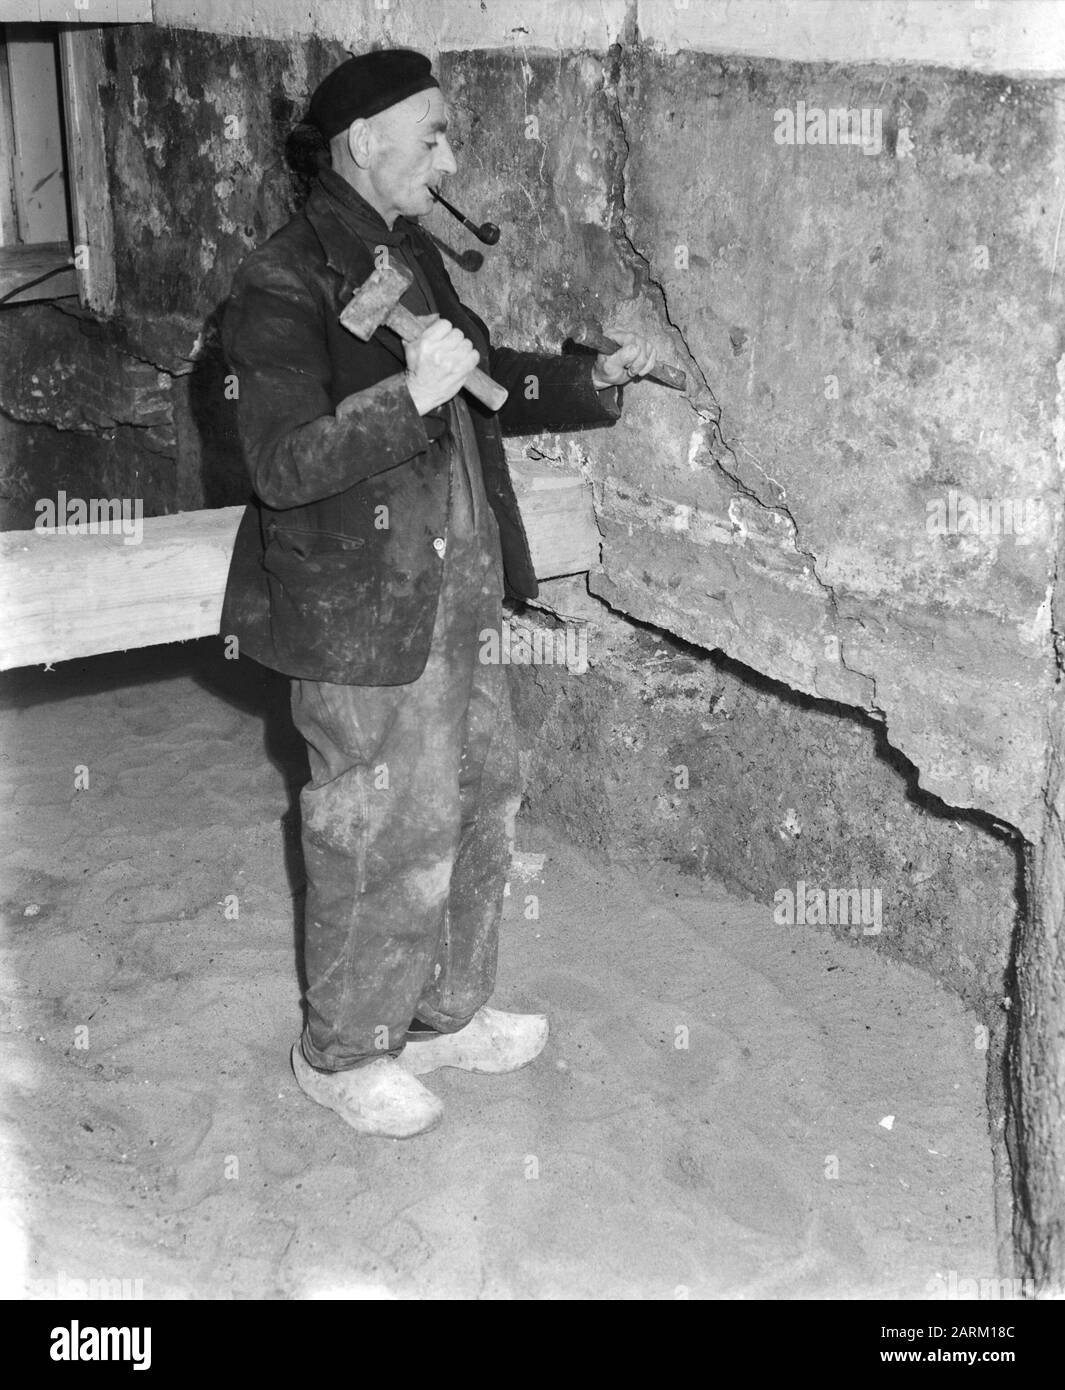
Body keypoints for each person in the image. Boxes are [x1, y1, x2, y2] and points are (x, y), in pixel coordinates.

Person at [220, 48, 657, 1138]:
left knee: (478, 796)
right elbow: (278, 463)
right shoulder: (282, 280)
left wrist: (584, 379)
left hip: (458, 590)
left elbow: (484, 383)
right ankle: (344, 1051)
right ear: (363, 143)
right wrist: (404, 401)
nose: (452, 156)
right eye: (435, 136)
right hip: (361, 611)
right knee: (379, 824)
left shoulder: (402, 253)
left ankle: (444, 1012)